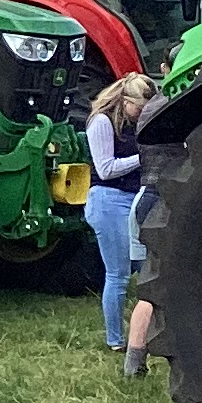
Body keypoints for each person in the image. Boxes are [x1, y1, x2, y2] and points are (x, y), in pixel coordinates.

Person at [85, 71, 154, 372]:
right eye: (139, 108)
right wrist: (143, 156)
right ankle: (115, 339)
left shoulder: (135, 122)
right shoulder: (101, 122)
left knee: (145, 268)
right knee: (118, 274)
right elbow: (106, 168)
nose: (141, 114)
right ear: (125, 101)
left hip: (133, 197)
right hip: (108, 199)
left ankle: (144, 334)